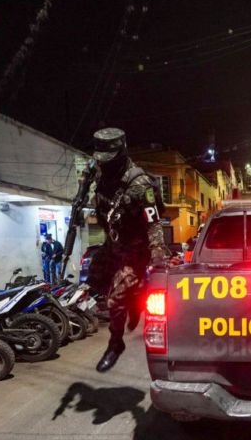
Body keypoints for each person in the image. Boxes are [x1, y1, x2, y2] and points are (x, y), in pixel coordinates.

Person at [85, 128, 169, 373]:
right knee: (93, 279)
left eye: (106, 158)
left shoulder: (139, 184)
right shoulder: (100, 172)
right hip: (114, 244)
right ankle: (134, 297)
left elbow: (153, 222)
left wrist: (157, 254)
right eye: (99, 158)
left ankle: (115, 343)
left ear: (120, 154)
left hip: (136, 248)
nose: (101, 162)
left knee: (115, 299)